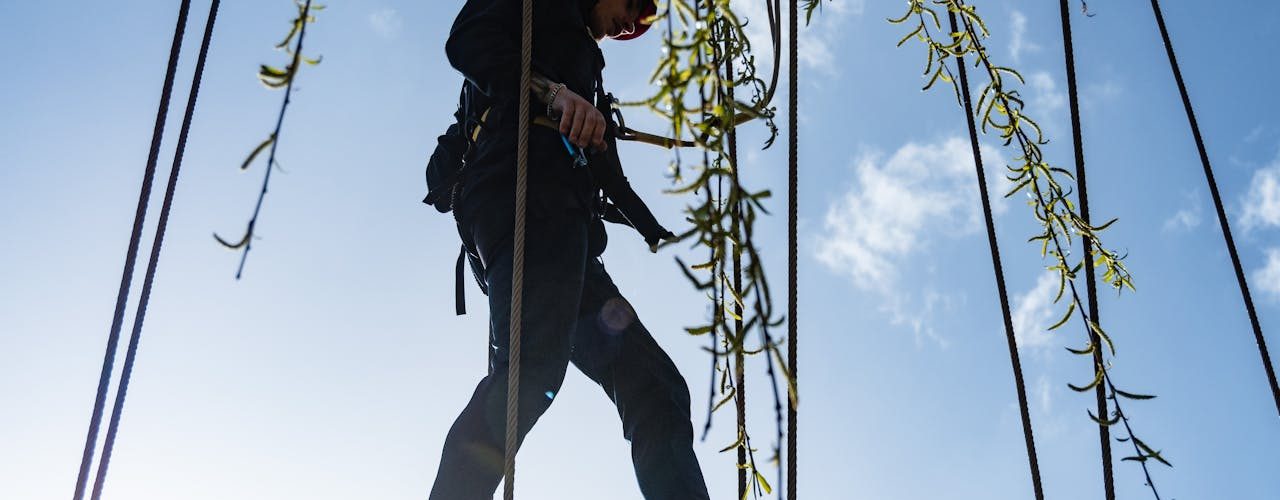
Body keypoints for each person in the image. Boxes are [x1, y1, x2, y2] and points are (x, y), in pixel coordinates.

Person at [426, 0, 712, 499]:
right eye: (633, 5)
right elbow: (467, 40)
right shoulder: (539, 7)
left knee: (656, 389)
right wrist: (554, 93)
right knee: (529, 372)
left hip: (563, 226)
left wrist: (650, 226)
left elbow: (605, 170)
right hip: (523, 199)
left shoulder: (581, 57)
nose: (633, 23)